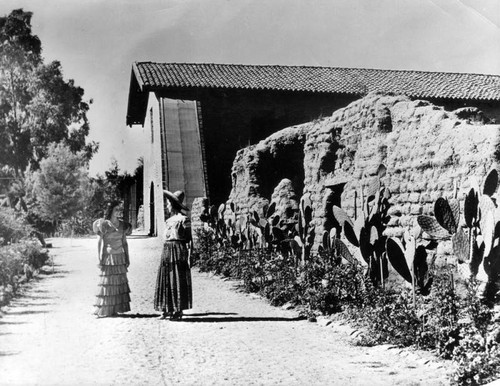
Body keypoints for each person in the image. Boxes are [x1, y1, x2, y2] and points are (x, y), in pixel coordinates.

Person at [154, 190, 192, 320]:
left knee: (177, 278)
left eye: (168, 204)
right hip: (167, 250)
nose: (167, 206)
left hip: (178, 249)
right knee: (166, 278)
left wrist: (189, 255)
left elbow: (188, 238)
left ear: (173, 204)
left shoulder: (184, 219)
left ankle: (178, 310)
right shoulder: (168, 220)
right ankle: (166, 309)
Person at [92, 201, 132, 317]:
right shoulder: (104, 224)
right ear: (111, 211)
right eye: (116, 210)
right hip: (108, 257)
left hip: (120, 257)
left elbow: (125, 243)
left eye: (119, 210)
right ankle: (105, 309)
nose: (118, 212)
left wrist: (127, 257)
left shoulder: (123, 225)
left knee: (118, 283)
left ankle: (115, 308)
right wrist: (99, 258)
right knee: (108, 283)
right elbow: (100, 242)